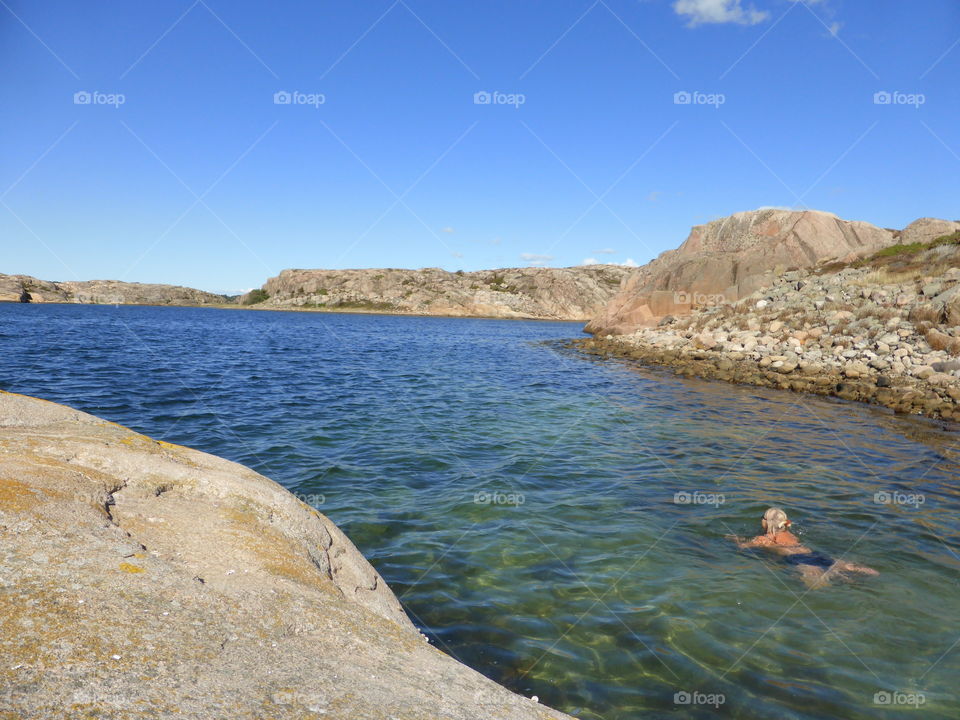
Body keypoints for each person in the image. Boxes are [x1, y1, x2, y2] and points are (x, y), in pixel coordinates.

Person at [729, 507, 878, 587]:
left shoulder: (764, 539)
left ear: (766, 522)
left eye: (763, 518)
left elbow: (743, 547)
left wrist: (735, 539)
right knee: (841, 566)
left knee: (817, 586)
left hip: (798, 560)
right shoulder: (791, 535)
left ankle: (851, 583)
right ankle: (867, 573)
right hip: (814, 554)